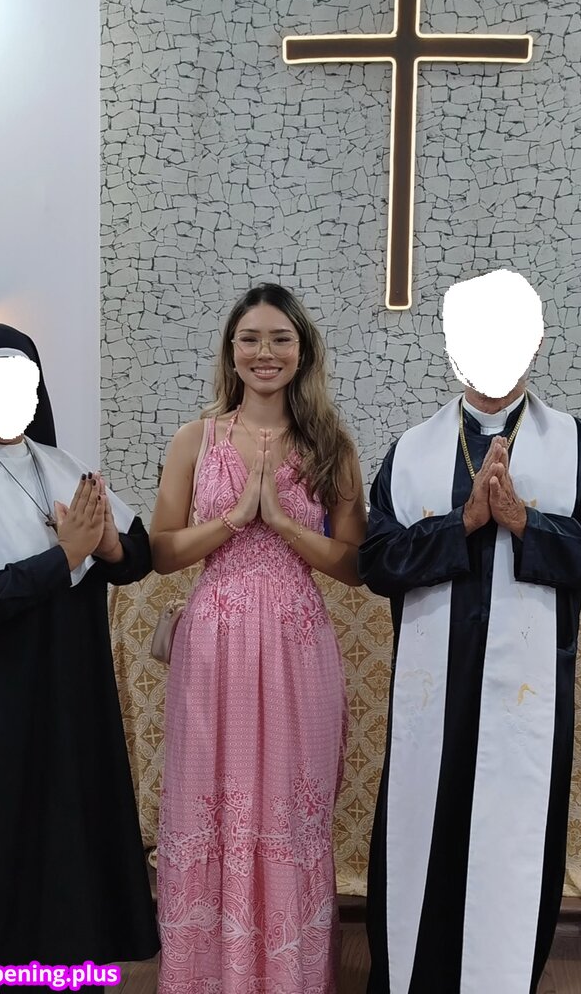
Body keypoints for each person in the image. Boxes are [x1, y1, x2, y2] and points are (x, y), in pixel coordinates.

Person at [359, 269, 581, 994]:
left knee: (512, 848)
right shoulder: (411, 449)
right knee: (423, 842)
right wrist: (464, 522)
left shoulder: (579, 447)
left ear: (535, 342)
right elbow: (377, 561)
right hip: (432, 701)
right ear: (450, 344)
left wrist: (524, 523)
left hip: (526, 702)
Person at [0, 324, 159, 979]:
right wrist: (65, 557)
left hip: (70, 693)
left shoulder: (62, 465)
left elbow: (139, 554)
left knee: (72, 845)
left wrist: (107, 547)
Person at [150, 283, 367, 993]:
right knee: (210, 800)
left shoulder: (331, 445)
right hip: (213, 644)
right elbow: (162, 551)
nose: (263, 352)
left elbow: (355, 565)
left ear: (302, 351)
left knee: (290, 805)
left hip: (297, 644)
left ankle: (286, 974)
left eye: (279, 338)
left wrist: (281, 522)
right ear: (231, 350)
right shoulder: (196, 439)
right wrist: (235, 518)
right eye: (249, 338)